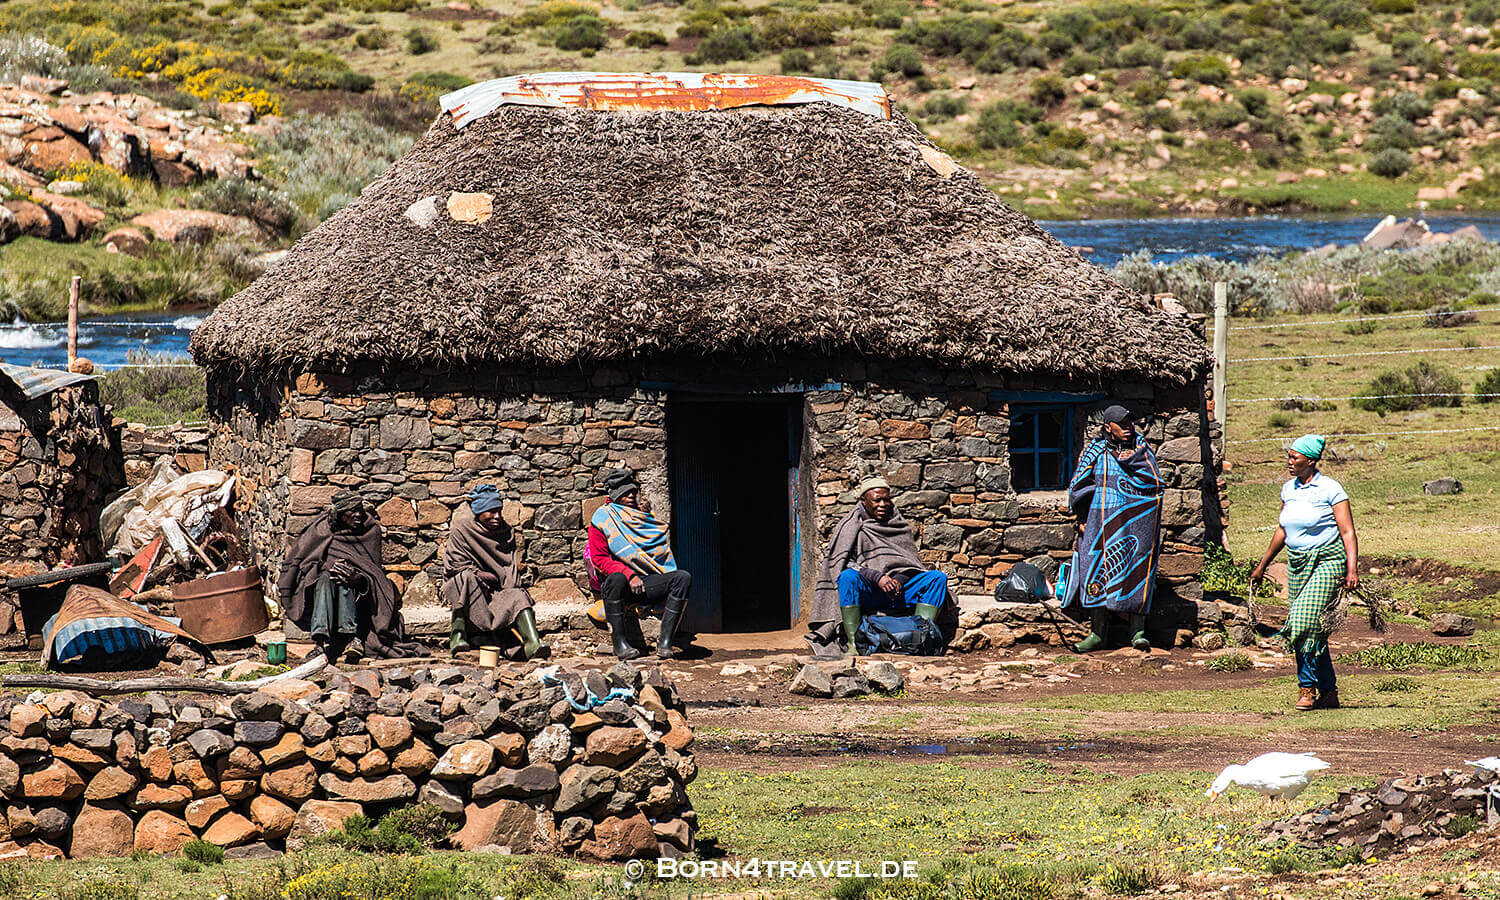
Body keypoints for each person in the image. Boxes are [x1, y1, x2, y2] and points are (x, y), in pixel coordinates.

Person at [1249, 434, 1358, 711]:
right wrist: (1262, 565)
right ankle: (1329, 691)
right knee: (1314, 629)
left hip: (1328, 561)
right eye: (1289, 456)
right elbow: (1283, 529)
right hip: (1297, 563)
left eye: (1295, 457)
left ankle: (1307, 688)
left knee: (1300, 623)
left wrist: (1352, 569)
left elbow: (1347, 532)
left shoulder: (1331, 490)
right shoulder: (1289, 489)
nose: (1289, 461)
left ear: (1311, 460)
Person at [811, 476, 952, 656]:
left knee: (936, 578)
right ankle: (855, 645)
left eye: (886, 499)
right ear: (864, 501)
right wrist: (877, 578)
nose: (883, 504)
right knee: (847, 577)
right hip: (870, 592)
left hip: (898, 591)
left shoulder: (899, 525)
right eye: (877, 500)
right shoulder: (850, 526)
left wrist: (899, 579)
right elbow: (842, 563)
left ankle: (920, 639)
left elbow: (909, 562)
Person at [1063, 405, 1164, 653]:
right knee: (1095, 569)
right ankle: (1097, 633)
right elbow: (1079, 484)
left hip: (1135, 525)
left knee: (1137, 571)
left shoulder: (1142, 452)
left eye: (1130, 423)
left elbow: (1155, 484)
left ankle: (1137, 632)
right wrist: (1082, 516)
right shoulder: (1096, 451)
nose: (1128, 428)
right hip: (1100, 525)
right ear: (1109, 427)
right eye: (1122, 424)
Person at [277, 489, 418, 660]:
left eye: (360, 509)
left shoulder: (369, 531)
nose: (358, 514)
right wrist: (325, 566)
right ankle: (320, 642)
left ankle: (353, 638)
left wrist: (360, 579)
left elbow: (374, 572)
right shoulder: (321, 530)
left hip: (359, 595)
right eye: (352, 511)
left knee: (346, 581)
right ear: (340, 514)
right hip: (323, 588)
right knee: (325, 580)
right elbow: (303, 562)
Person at [586, 469, 691, 660]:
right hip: (620, 588)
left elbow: (655, 550)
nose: (631, 496)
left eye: (633, 492)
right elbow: (600, 559)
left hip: (647, 583)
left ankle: (665, 642)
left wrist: (646, 515)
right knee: (616, 578)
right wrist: (629, 574)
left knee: (682, 578)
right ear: (615, 495)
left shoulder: (641, 516)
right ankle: (620, 644)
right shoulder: (603, 518)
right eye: (626, 493)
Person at [442, 484, 550, 660]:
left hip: (498, 588)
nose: (497, 516)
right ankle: (458, 637)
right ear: (478, 512)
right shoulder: (461, 530)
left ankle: (533, 643)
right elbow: (455, 566)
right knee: (465, 579)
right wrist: (481, 574)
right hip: (472, 589)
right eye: (491, 511)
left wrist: (503, 582)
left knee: (517, 595)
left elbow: (508, 567)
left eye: (499, 511)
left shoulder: (506, 532)